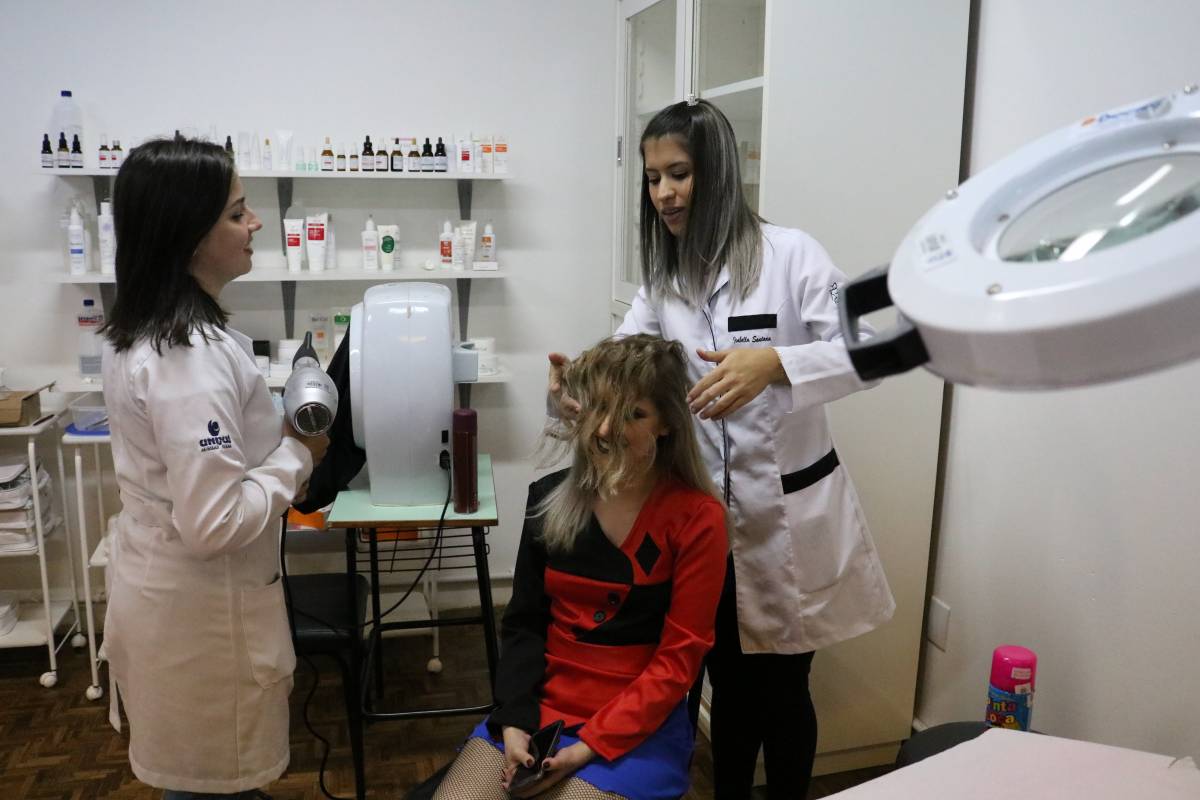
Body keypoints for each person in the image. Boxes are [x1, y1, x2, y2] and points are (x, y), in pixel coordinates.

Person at [548, 99, 895, 799]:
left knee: (782, 693)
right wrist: (574, 384)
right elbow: (622, 355)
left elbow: (871, 350)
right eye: (653, 178)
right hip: (702, 526)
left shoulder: (792, 256)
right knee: (718, 686)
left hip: (785, 523)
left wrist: (777, 363)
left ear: (718, 173)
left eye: (679, 174)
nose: (664, 193)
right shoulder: (666, 282)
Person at [100, 137, 329, 799]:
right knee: (208, 787)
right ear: (189, 235)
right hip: (203, 622)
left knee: (204, 786)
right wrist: (297, 454)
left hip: (171, 600)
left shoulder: (144, 330)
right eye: (236, 213)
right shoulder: (187, 355)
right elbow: (214, 522)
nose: (255, 223)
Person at [434, 335, 727, 800]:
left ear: (668, 423)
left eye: (633, 414)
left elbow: (678, 660)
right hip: (542, 706)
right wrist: (514, 722)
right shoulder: (549, 500)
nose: (606, 429)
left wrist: (588, 748)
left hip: (637, 722)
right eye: (598, 408)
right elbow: (524, 623)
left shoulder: (697, 519)